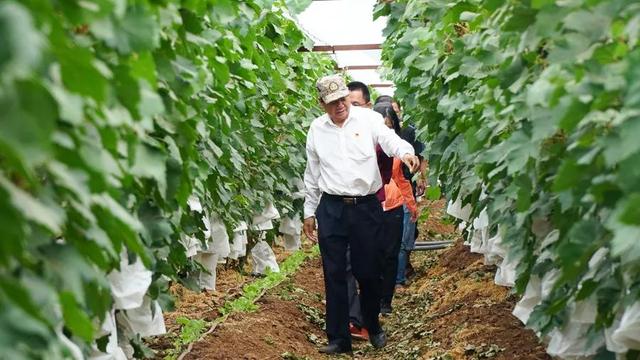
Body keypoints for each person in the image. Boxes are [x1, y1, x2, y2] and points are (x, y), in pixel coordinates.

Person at [303, 74, 419, 355]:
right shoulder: (317, 129)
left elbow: (390, 140)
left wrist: (406, 152)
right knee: (334, 274)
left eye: (342, 100)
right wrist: (309, 211)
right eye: (332, 103)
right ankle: (339, 338)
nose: (339, 106)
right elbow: (312, 173)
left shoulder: (368, 120)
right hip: (331, 208)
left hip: (365, 207)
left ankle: (373, 326)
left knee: (368, 272)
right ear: (322, 104)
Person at [344, 81, 392, 342]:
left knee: (370, 268)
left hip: (374, 207)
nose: (350, 110)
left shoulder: (376, 135)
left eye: (356, 105)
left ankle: (370, 318)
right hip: (343, 209)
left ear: (368, 106)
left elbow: (387, 169)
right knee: (345, 266)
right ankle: (354, 321)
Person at [372, 103, 418, 314]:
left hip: (393, 205)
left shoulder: (397, 147)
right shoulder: (365, 146)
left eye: (387, 124)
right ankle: (372, 297)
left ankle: (385, 301)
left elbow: (401, 179)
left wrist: (410, 203)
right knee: (373, 254)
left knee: (391, 254)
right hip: (370, 205)